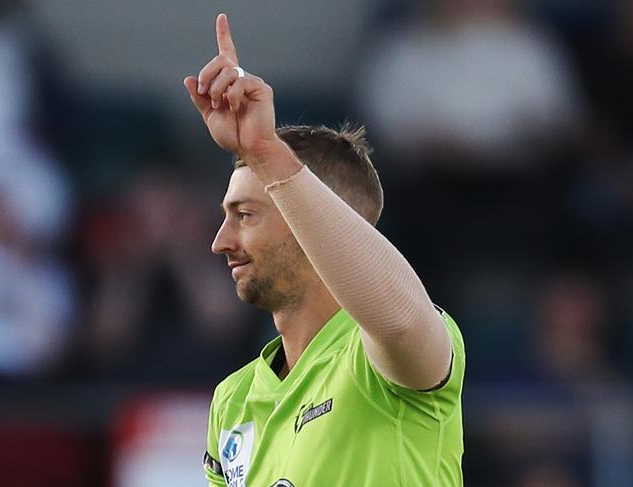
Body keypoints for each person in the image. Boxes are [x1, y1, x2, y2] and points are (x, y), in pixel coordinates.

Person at [183, 14, 465, 487]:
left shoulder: (387, 354)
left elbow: (395, 319)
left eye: (246, 215)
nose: (221, 241)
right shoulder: (233, 400)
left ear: (312, 223)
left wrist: (267, 153)